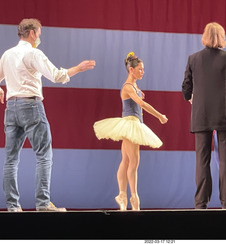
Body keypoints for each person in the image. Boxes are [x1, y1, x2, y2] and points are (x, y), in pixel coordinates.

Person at [0, 18, 96, 212]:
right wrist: (78, 67)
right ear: (33, 33)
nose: (39, 38)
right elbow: (56, 75)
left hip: (11, 108)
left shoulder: (7, 54)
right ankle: (43, 204)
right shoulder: (33, 53)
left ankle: (12, 207)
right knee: (44, 155)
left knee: (11, 159)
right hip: (31, 106)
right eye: (39, 34)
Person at [182, 22, 226, 209]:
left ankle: (200, 204)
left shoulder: (193, 58)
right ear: (222, 38)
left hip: (201, 115)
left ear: (204, 36)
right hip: (224, 116)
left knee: (202, 160)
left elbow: (185, 88)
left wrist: (191, 98)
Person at [93, 52, 168, 211]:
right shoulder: (128, 87)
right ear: (131, 70)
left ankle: (122, 195)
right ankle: (134, 197)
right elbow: (142, 104)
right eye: (140, 69)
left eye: (143, 69)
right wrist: (159, 116)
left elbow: (138, 100)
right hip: (130, 124)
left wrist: (139, 93)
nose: (143, 72)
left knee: (127, 161)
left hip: (133, 123)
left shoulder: (134, 87)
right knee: (133, 161)